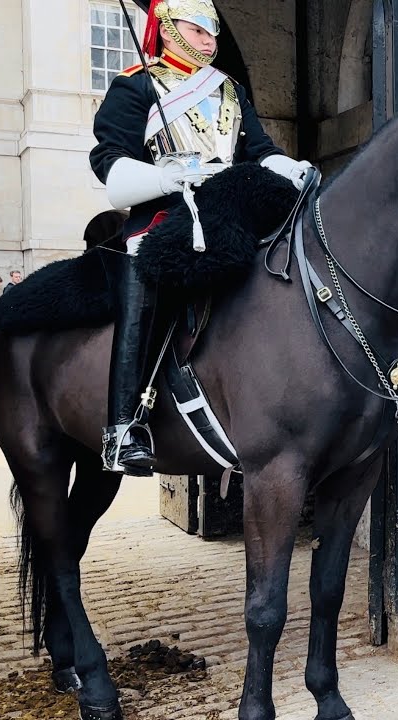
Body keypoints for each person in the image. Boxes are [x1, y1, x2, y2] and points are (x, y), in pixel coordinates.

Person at [88, 0, 313, 476]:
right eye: (199, 30)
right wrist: (171, 177)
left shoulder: (228, 89)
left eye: (213, 32)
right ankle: (124, 427)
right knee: (146, 270)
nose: (211, 40)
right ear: (167, 31)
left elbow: (259, 150)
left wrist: (293, 170)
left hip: (229, 214)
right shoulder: (135, 84)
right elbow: (112, 166)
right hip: (165, 217)